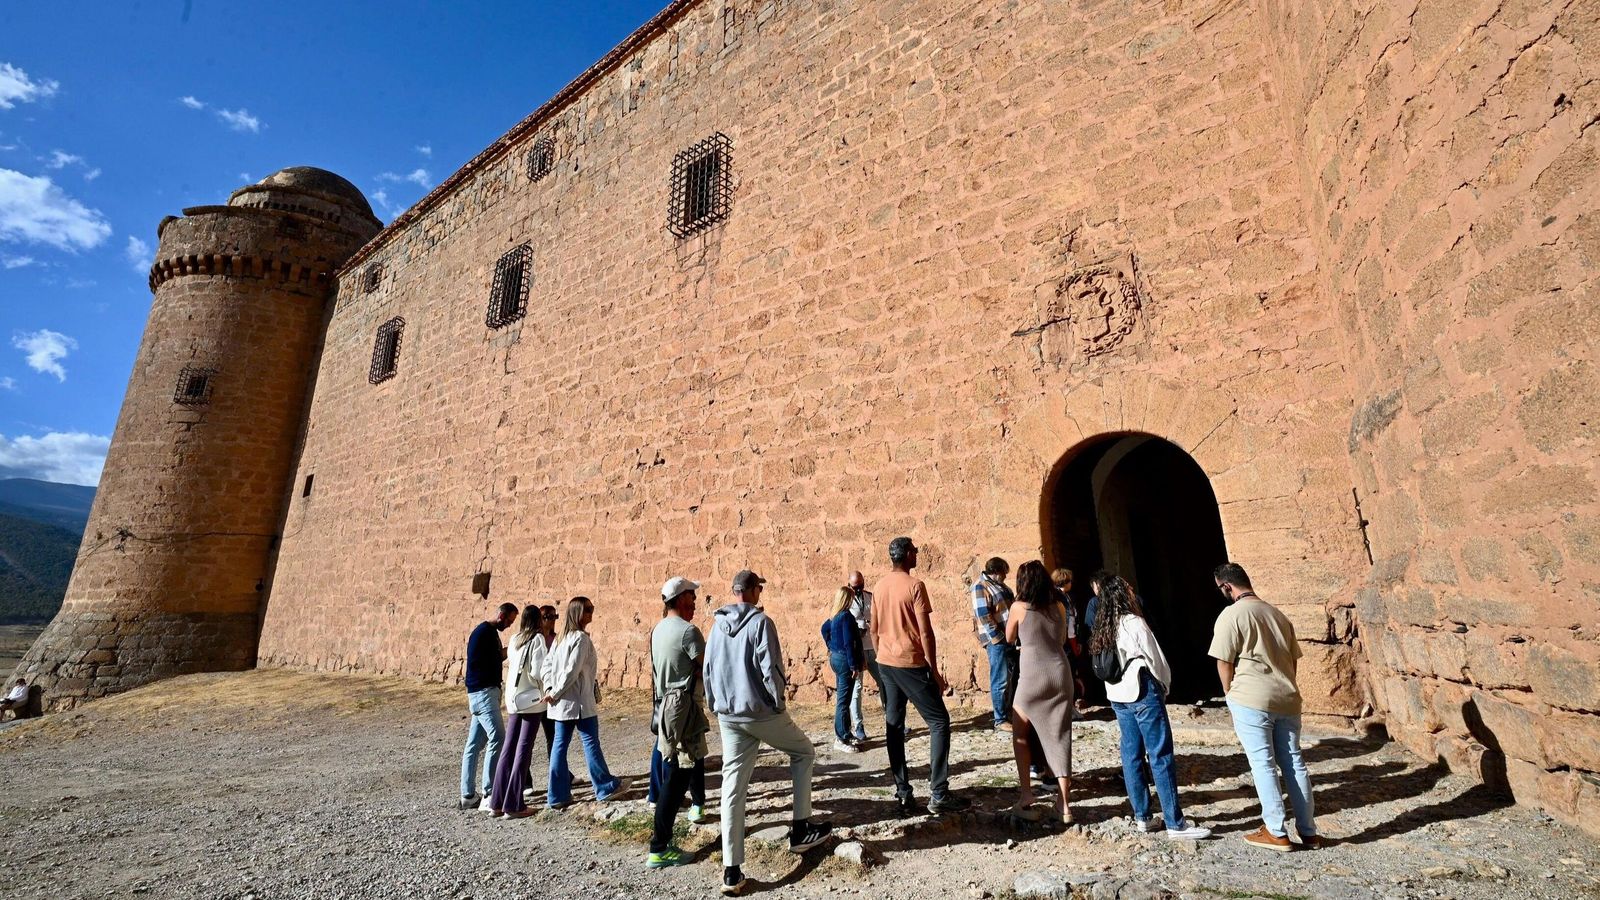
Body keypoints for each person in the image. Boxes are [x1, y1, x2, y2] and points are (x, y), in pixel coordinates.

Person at [704, 570, 832, 896]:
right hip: (760, 712)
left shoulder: (717, 625)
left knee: (733, 786)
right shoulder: (761, 623)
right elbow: (770, 666)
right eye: (759, 587)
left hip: (728, 714)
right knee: (804, 752)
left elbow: (707, 669)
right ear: (753, 591)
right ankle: (801, 829)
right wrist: (778, 703)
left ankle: (732, 870)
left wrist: (715, 703)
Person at [1209, 562, 1319, 851]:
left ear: (1226, 587)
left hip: (1251, 698)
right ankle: (1309, 832)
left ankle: (1276, 831)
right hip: (1287, 697)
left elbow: (1223, 660)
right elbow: (1292, 660)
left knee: (1263, 763)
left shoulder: (1232, 614)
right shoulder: (1277, 614)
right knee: (1295, 763)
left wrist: (1228, 691)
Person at [1094, 575, 1211, 840]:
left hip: (1117, 694)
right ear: (1123, 595)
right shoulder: (1134, 622)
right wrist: (1165, 685)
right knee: (1160, 754)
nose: (1133, 591)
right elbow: (1155, 658)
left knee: (1131, 754)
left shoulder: (1104, 624)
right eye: (1128, 589)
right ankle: (1175, 822)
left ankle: (1143, 816)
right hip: (1142, 690)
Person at [871, 537, 970, 816]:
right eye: (914, 550)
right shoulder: (915, 586)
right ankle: (938, 792)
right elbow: (925, 632)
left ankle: (903, 792)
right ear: (906, 556)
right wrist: (934, 670)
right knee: (939, 721)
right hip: (910, 663)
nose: (917, 553)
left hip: (887, 663)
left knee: (894, 726)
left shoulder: (879, 586)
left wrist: (882, 656)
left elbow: (874, 628)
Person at [646, 576, 712, 869]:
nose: (694, 601)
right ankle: (659, 847)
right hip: (684, 708)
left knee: (681, 768)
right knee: (677, 777)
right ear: (679, 600)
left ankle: (664, 841)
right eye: (690, 596)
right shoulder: (689, 632)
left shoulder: (657, 630)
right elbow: (706, 668)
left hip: (666, 708)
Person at [542, 596, 629, 809]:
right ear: (578, 613)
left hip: (562, 703)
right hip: (579, 703)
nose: (591, 613)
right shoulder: (580, 639)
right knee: (589, 743)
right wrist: (555, 691)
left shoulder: (561, 638)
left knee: (559, 747)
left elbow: (547, 666)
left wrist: (550, 689)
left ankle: (557, 795)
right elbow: (573, 670)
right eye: (588, 609)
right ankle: (605, 787)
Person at [1005, 561, 1076, 822]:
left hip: (1032, 676)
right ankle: (1064, 805)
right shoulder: (1059, 606)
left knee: (1021, 734)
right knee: (1060, 736)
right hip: (1059, 673)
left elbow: (1010, 638)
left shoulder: (1018, 607)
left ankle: (1026, 795)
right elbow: (1059, 640)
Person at [489, 604, 552, 818]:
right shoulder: (537, 640)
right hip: (531, 701)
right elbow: (537, 670)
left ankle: (497, 801)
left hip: (514, 699)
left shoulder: (516, 639)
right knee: (524, 749)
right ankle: (514, 804)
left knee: (508, 749)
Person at [459, 602, 517, 810]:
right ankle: (490, 791)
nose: (509, 625)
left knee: (474, 744)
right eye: (509, 620)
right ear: (501, 615)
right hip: (483, 693)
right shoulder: (483, 633)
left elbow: (495, 658)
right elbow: (486, 661)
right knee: (498, 738)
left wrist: (511, 648)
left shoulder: (489, 633)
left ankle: (467, 794)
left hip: (482, 693)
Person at [971, 557, 1016, 731]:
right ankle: (1000, 719)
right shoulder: (981, 586)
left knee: (1010, 677)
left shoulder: (999, 586)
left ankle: (1009, 712)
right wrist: (998, 637)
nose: (1005, 576)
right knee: (1000, 679)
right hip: (997, 641)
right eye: (1004, 572)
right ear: (996, 571)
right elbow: (983, 615)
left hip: (1009, 639)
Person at [821, 586, 864, 753]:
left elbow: (824, 629)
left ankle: (845, 732)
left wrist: (831, 645)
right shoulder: (845, 616)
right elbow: (848, 643)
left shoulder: (835, 615)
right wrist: (854, 665)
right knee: (844, 701)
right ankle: (841, 738)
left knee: (843, 699)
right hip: (845, 661)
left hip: (837, 658)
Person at [1051, 567, 1089, 719]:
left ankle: (1072, 706)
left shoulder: (1068, 597)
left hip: (1071, 638)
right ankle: (1068, 708)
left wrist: (1077, 640)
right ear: (1065, 581)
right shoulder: (1057, 597)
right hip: (1064, 640)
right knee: (1067, 675)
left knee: (1072, 673)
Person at [845, 571, 878, 743]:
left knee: (885, 683)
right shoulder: (847, 601)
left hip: (872, 646)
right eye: (855, 587)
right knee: (857, 689)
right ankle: (858, 726)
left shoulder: (870, 597)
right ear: (849, 585)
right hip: (858, 649)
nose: (858, 590)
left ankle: (896, 722)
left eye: (861, 585)